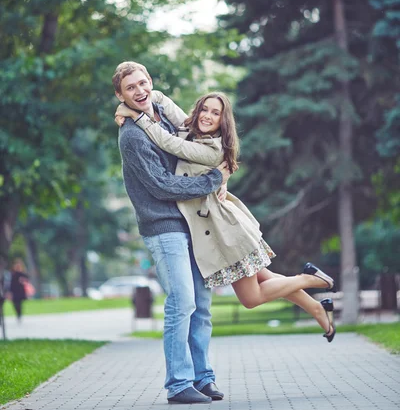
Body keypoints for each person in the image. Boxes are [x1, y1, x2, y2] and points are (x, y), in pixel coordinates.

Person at [116, 90, 337, 343]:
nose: (208, 116)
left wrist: (136, 115)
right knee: (267, 277)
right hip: (223, 225)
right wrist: (134, 100)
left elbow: (167, 142)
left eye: (216, 113)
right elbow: (165, 102)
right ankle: (318, 308)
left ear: (224, 121)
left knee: (251, 298)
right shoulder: (191, 130)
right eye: (205, 109)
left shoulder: (210, 149)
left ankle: (308, 279)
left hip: (225, 232)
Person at [112, 61, 232, 405]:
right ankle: (178, 384)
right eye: (130, 88)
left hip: (191, 221)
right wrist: (214, 179)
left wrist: (221, 170)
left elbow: (194, 138)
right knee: (183, 302)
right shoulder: (133, 136)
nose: (140, 91)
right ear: (120, 96)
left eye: (143, 83)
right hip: (164, 225)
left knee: (202, 304)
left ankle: (203, 377)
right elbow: (162, 186)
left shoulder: (161, 116)